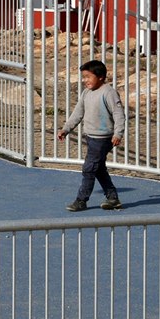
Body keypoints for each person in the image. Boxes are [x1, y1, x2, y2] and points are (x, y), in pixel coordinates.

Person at [57, 59, 125, 211]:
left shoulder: (109, 92)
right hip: (91, 136)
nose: (85, 80)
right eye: (84, 77)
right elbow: (78, 113)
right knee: (98, 168)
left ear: (100, 76)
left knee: (89, 168)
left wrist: (118, 133)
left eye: (88, 77)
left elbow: (119, 114)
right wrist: (66, 129)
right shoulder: (86, 93)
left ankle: (81, 200)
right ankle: (113, 198)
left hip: (103, 138)